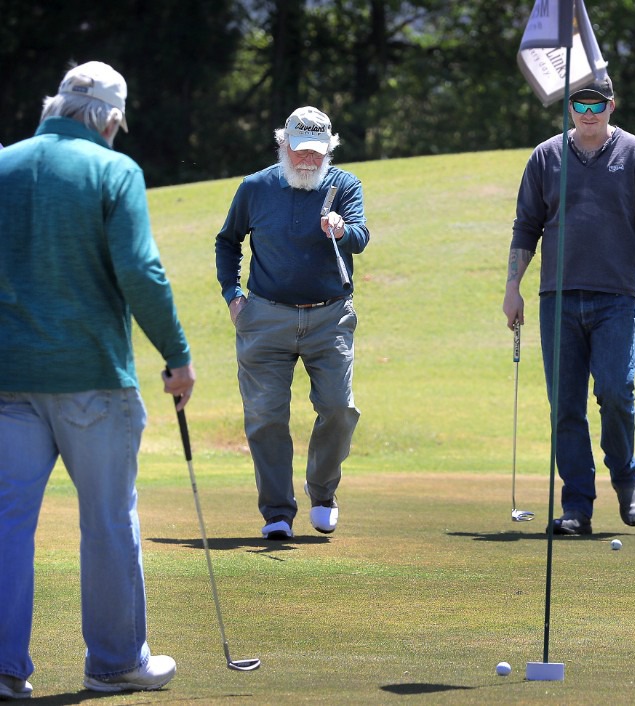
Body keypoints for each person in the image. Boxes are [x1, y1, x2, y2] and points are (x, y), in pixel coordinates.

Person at [0, 61, 194, 697]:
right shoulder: (115, 170)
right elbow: (141, 273)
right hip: (92, 379)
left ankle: (2, 670)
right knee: (108, 522)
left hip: (9, 380)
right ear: (111, 119)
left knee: (5, 524)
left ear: (56, 104)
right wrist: (177, 355)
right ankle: (114, 663)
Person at [503, 75, 635, 536]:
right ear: (569, 108)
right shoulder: (546, 156)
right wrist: (512, 286)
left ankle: (626, 479)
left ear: (612, 106)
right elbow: (526, 226)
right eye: (580, 104)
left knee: (616, 392)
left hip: (614, 298)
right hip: (556, 299)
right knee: (565, 407)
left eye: (597, 104)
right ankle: (577, 504)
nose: (589, 113)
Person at [215, 106, 369, 540]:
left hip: (329, 316)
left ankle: (322, 493)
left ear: (329, 150)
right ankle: (277, 512)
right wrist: (233, 296)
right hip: (265, 316)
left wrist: (341, 230)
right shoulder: (255, 187)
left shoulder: (344, 186)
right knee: (265, 417)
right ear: (283, 144)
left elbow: (360, 236)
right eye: (300, 151)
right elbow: (228, 242)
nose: (307, 161)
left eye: (317, 153)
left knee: (340, 409)